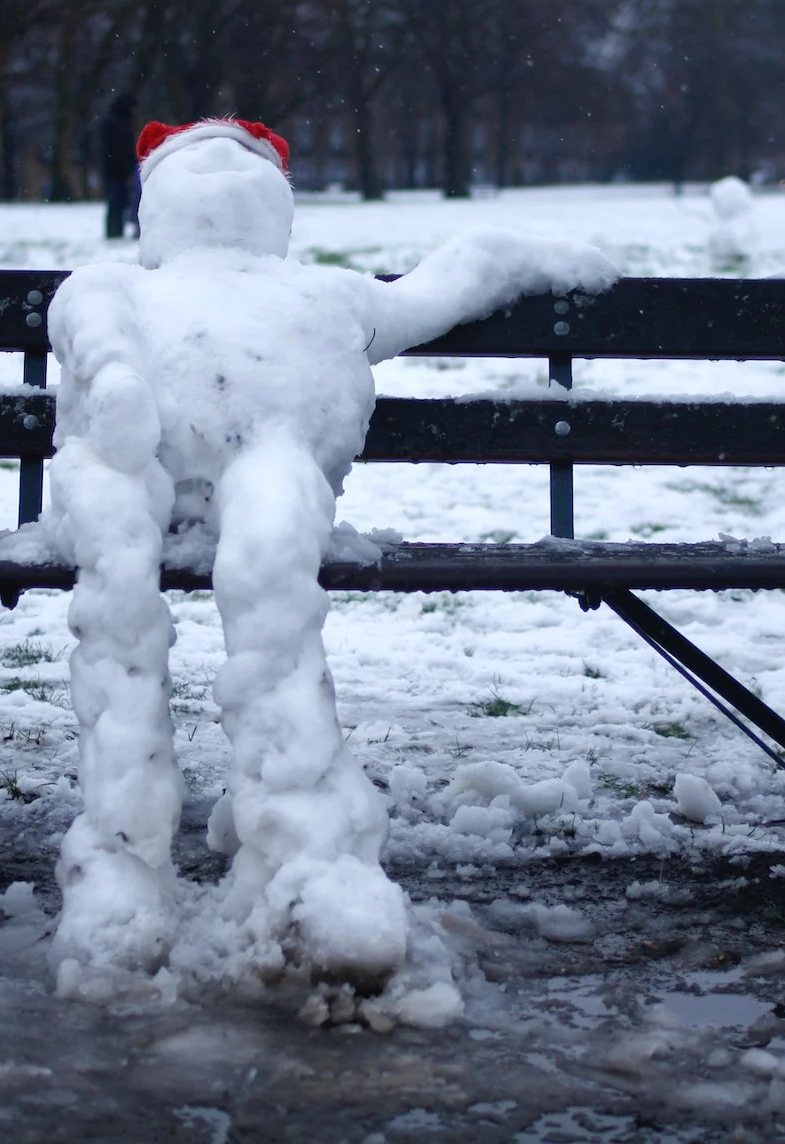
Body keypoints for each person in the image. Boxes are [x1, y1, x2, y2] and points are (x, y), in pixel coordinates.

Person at [40, 116, 616, 999]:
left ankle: (125, 877)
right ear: (278, 204)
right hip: (227, 468)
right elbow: (446, 285)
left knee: (131, 618)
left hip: (143, 474)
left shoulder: (123, 284)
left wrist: (117, 375)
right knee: (273, 583)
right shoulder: (329, 295)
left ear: (158, 204)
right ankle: (310, 862)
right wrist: (536, 253)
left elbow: (90, 325)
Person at [98, 93, 139, 239]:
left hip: (113, 170)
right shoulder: (118, 125)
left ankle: (114, 231)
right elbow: (120, 150)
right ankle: (114, 231)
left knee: (116, 203)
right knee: (117, 202)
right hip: (117, 170)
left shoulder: (114, 123)